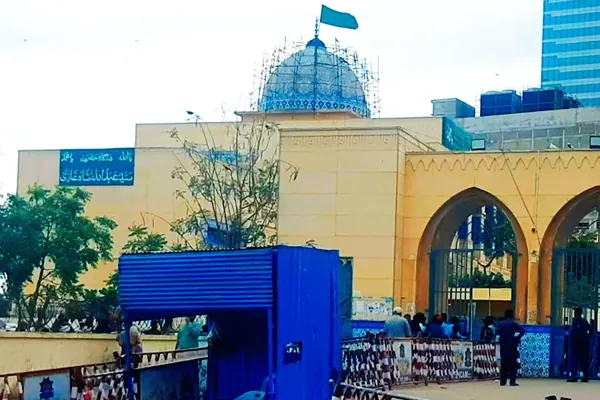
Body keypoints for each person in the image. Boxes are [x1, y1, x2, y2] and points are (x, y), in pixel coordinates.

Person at [497, 309, 524, 386]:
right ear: (512, 315)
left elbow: (497, 332)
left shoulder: (501, 324)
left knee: (504, 364)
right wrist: (517, 338)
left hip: (503, 345)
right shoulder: (514, 323)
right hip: (512, 345)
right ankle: (512, 381)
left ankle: (503, 381)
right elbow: (522, 331)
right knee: (512, 364)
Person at [567, 307, 592, 383]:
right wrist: (587, 337)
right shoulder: (585, 321)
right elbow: (591, 331)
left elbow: (571, 332)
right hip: (584, 344)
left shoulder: (575, 321)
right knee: (584, 361)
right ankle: (585, 377)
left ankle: (574, 376)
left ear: (576, 313)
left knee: (575, 360)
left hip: (576, 344)